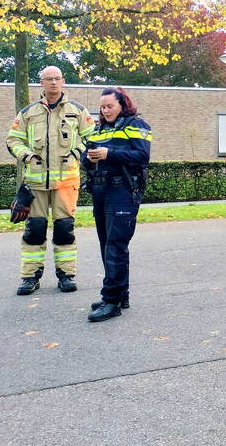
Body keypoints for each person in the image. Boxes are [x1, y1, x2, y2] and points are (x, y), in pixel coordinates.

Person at [6, 66, 96, 295]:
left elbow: (93, 137)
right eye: (49, 79)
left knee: (64, 229)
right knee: (34, 229)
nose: (53, 83)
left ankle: (66, 275)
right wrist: (26, 154)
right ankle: (29, 277)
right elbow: (13, 140)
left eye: (57, 78)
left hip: (66, 183)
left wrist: (77, 153)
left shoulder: (78, 111)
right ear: (41, 83)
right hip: (36, 184)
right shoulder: (28, 113)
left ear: (63, 81)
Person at [82, 87, 152, 322]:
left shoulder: (137, 125)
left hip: (122, 190)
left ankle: (111, 301)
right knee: (106, 244)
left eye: (109, 106)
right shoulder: (99, 128)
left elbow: (142, 156)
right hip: (100, 190)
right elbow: (88, 155)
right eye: (102, 107)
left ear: (122, 104)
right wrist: (89, 157)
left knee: (115, 245)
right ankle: (119, 294)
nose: (105, 110)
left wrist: (109, 153)